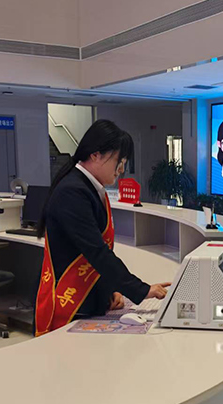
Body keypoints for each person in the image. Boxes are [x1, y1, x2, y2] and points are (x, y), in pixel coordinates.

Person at [35, 119, 171, 336]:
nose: (121, 169)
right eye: (119, 161)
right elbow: (96, 252)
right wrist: (142, 290)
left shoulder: (89, 187)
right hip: (71, 302)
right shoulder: (73, 192)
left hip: (89, 297)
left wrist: (111, 289)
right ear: (96, 155)